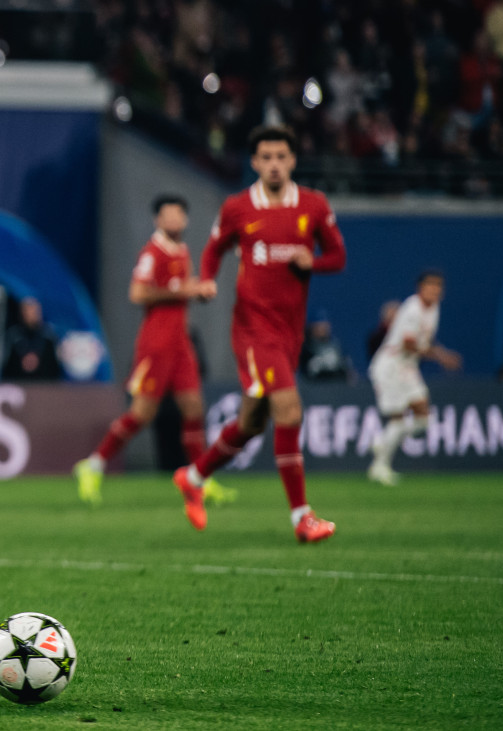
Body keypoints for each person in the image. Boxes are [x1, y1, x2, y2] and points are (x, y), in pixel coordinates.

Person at [173, 125, 347, 544]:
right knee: (289, 410)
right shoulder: (238, 207)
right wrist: (208, 279)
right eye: (265, 157)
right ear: (254, 162)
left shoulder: (313, 205)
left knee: (252, 422)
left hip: (290, 332)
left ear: (292, 160)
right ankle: (302, 518)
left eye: (280, 156)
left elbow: (338, 255)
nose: (273, 164)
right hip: (253, 329)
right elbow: (214, 247)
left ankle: (194, 476)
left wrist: (313, 263)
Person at [73, 195, 233, 507]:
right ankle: (93, 465)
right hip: (156, 344)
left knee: (194, 408)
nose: (174, 220)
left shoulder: (182, 250)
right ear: (157, 221)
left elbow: (180, 288)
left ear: (185, 220)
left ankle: (201, 479)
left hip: (180, 343)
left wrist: (197, 291)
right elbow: (137, 293)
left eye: (179, 214)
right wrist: (185, 289)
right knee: (142, 414)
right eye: (168, 215)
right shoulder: (151, 252)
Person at [367, 270, 461, 485]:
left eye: (438, 286)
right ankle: (379, 467)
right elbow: (409, 344)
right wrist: (441, 356)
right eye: (430, 285)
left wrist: (438, 353)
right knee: (398, 418)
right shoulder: (412, 308)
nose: (434, 290)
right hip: (390, 366)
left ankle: (383, 441)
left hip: (407, 367)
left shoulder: (434, 309)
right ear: (420, 288)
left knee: (423, 418)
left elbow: (424, 341)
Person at [2, 297, 61, 381]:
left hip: (45, 385)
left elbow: (56, 364)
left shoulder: (49, 334)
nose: (32, 314)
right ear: (22, 313)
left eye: (34, 311)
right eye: (28, 311)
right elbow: (4, 363)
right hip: (19, 383)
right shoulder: (13, 334)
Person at [300, 317, 353, 383]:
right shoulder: (307, 349)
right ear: (311, 327)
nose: (323, 329)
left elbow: (347, 371)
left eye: (325, 326)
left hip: (338, 387)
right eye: (318, 326)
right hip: (316, 388)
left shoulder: (335, 346)